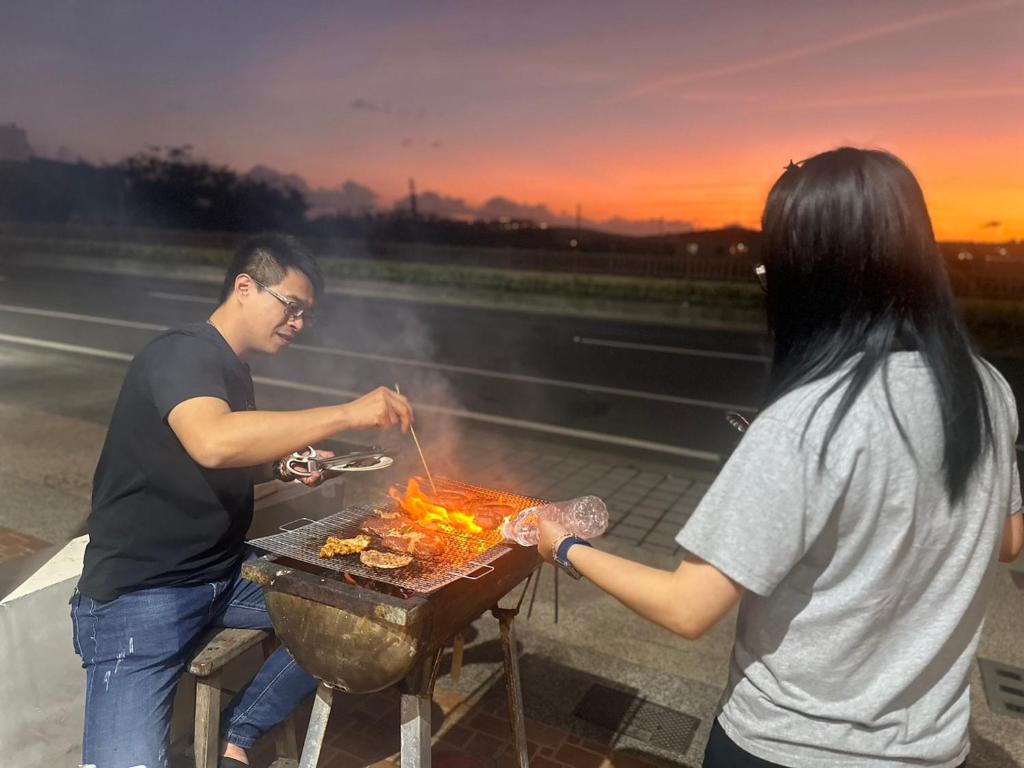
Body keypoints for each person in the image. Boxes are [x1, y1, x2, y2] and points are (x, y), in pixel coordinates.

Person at [539, 148, 1024, 768]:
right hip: (930, 750)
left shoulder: (807, 419)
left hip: (788, 747)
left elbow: (687, 608)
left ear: (813, 274)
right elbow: (1006, 540)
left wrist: (562, 547)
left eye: (774, 266)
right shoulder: (986, 388)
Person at [71, 233, 414, 768]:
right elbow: (212, 442)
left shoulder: (234, 371)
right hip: (141, 597)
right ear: (246, 287)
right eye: (292, 307)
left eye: (307, 314)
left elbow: (222, 456)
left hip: (224, 576)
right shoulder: (182, 351)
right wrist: (348, 414)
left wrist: (285, 463)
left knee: (354, 616)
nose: (299, 323)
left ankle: (239, 733)